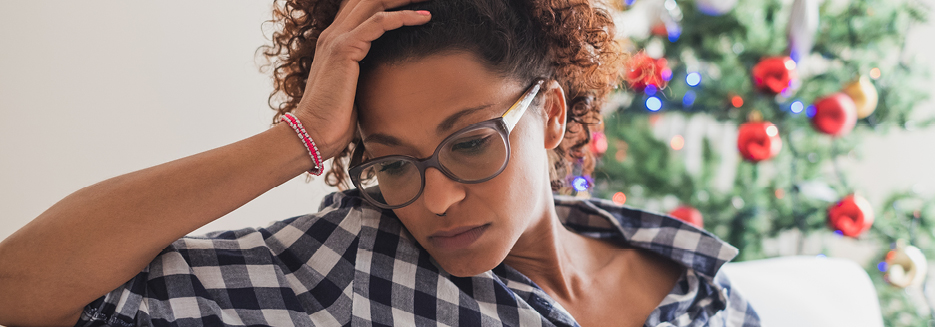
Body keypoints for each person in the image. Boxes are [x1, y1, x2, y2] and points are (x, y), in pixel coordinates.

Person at [0, 0, 760, 325]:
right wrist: (295, 139)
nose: (431, 201)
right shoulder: (349, 266)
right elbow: (20, 289)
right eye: (393, 162)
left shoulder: (698, 285)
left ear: (552, 114)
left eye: (468, 143)